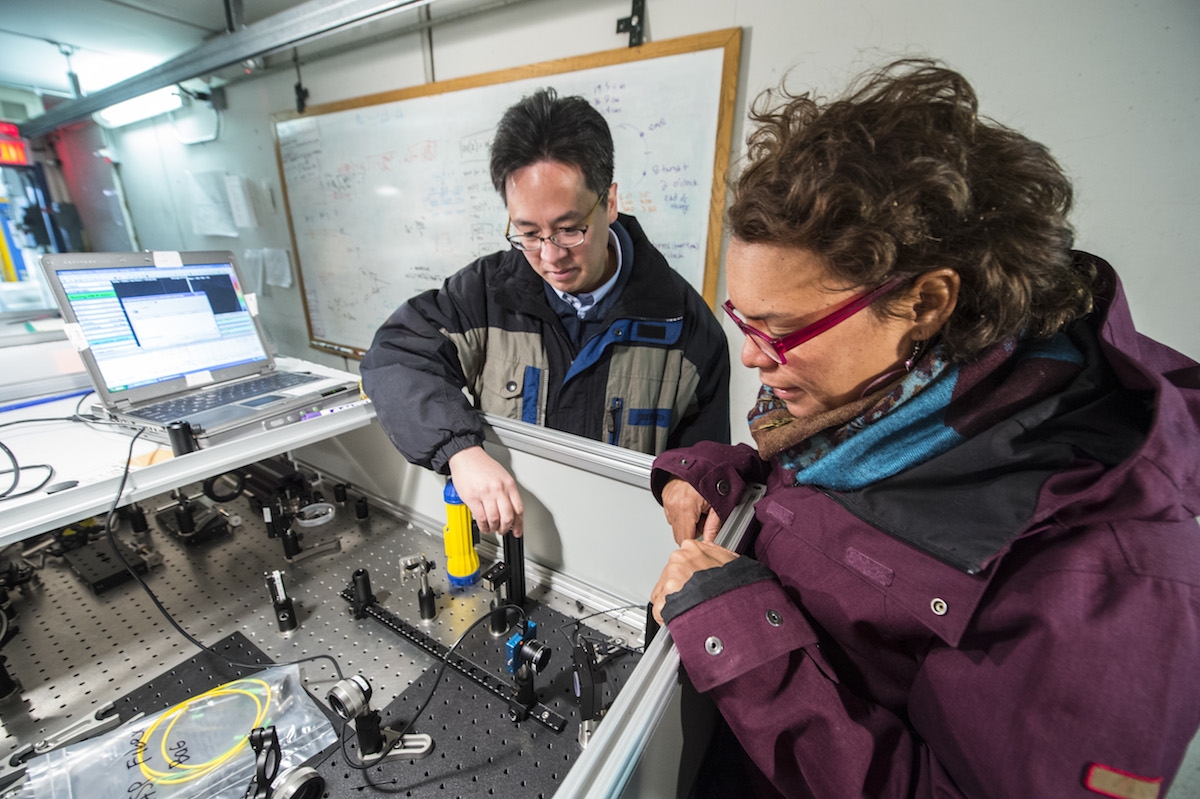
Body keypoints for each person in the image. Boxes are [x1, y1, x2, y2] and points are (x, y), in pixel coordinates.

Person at [648, 59, 1200, 798]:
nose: (751, 356)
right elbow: (836, 508)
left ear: (926, 301)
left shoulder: (1112, 580)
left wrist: (740, 633)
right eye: (743, 319)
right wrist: (724, 476)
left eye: (779, 330)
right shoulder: (893, 401)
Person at [361, 88, 730, 537]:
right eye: (528, 232)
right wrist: (459, 451)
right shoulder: (484, 294)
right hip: (518, 546)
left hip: (623, 557)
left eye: (568, 230)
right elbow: (396, 355)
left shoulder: (686, 327)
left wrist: (688, 479)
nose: (550, 256)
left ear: (609, 202)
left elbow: (705, 463)